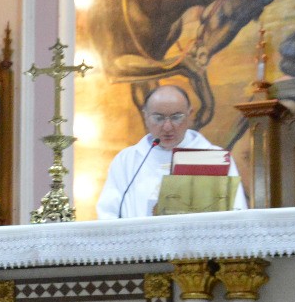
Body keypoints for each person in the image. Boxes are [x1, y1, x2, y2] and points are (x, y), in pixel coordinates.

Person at [95, 85, 247, 219]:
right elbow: (108, 213)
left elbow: (236, 211)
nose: (167, 127)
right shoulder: (126, 161)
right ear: (145, 116)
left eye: (176, 117)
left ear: (190, 115)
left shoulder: (216, 158)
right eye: (158, 118)